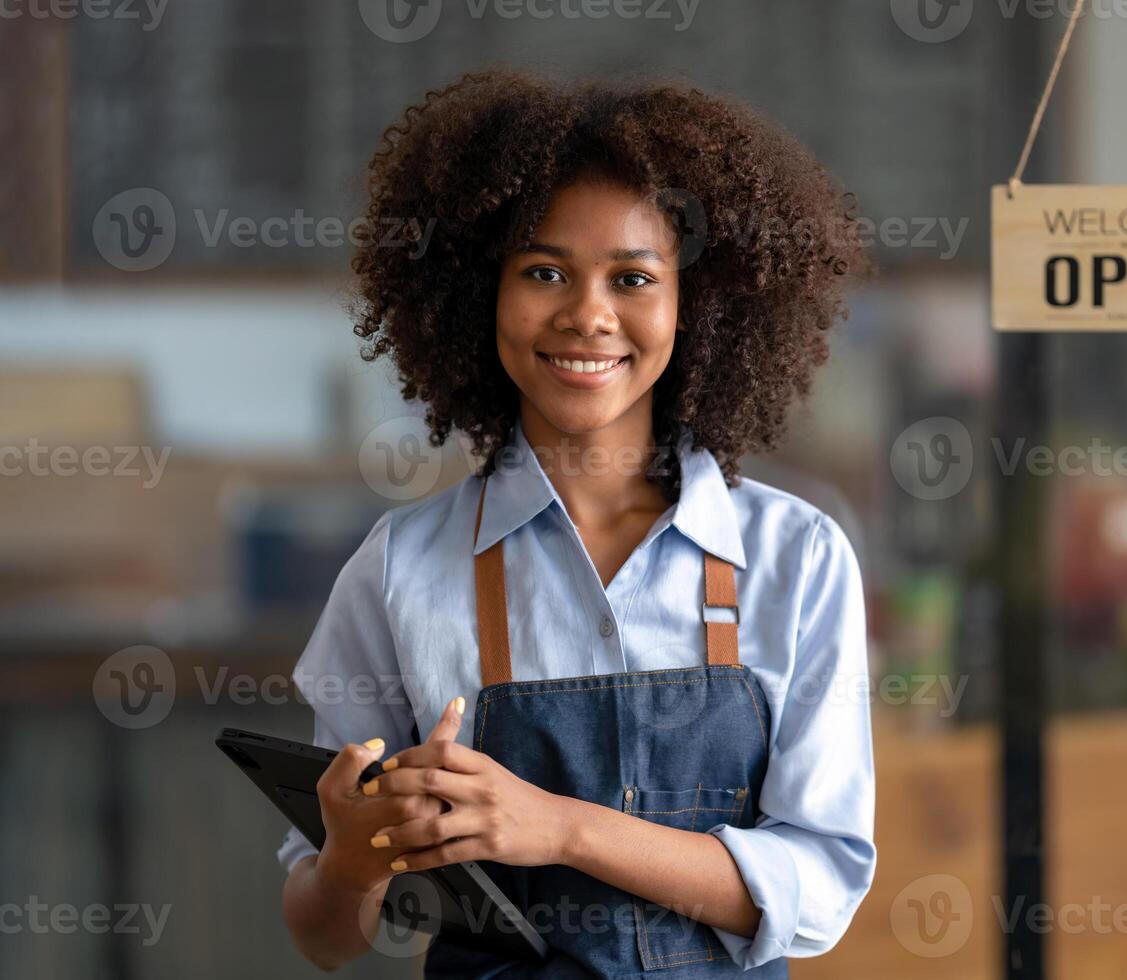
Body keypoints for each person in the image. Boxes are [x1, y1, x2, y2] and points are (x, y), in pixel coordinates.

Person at [277, 65, 877, 978]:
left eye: (633, 277)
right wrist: (352, 863)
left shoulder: (797, 557)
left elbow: (821, 890)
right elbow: (324, 939)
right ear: (480, 296)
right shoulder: (401, 571)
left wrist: (558, 827)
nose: (588, 315)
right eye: (544, 271)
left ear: (697, 307)